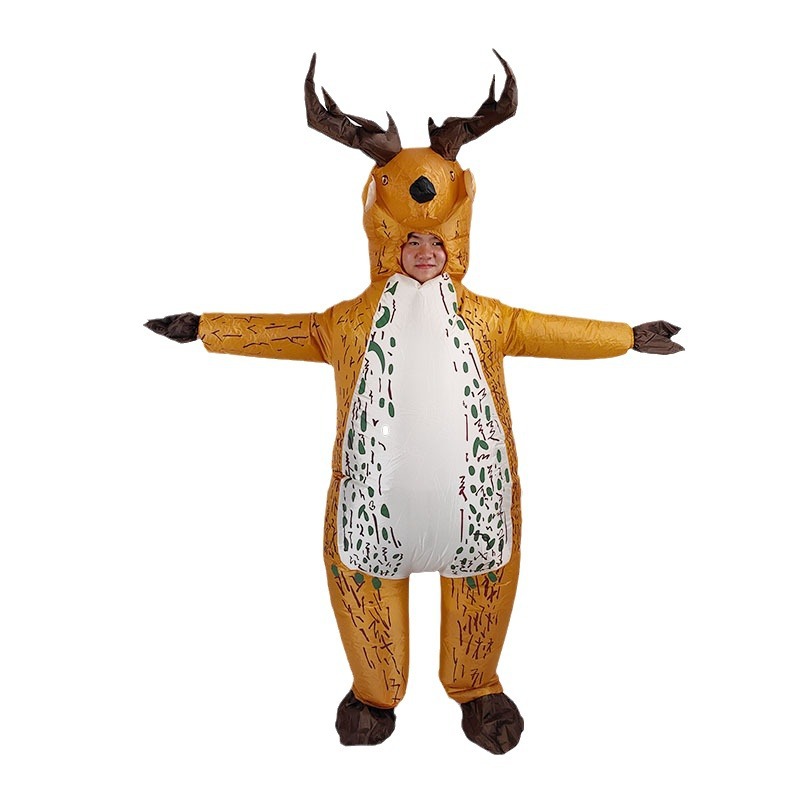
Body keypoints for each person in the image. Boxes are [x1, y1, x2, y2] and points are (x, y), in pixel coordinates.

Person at [145, 52, 683, 754]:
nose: (424, 253)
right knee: (363, 586)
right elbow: (281, 331)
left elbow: (555, 331)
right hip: (371, 509)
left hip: (475, 507)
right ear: (385, 242)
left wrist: (627, 338)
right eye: (411, 242)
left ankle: (477, 685)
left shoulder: (489, 320)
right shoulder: (345, 325)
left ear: (453, 242)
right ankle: (375, 691)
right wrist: (206, 328)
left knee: (482, 586)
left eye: (434, 241)